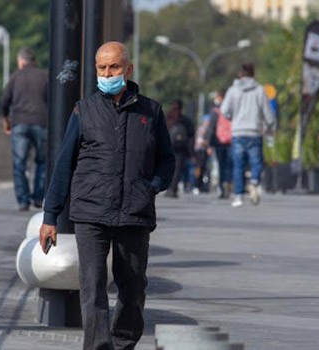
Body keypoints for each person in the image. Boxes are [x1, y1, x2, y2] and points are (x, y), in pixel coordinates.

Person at [39, 41, 175, 350]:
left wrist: (151, 186)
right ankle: (99, 347)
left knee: (134, 289)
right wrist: (50, 217)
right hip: (90, 212)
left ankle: (124, 342)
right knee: (92, 288)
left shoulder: (151, 111)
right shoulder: (83, 110)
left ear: (128, 69)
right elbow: (64, 164)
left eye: (113, 67)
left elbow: (167, 159)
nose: (107, 73)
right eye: (101, 68)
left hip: (134, 212)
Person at [0, 47, 48, 211]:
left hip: (19, 123)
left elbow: (4, 100)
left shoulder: (15, 77)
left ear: (21, 61)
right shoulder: (44, 76)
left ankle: (23, 201)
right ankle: (38, 198)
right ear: (34, 61)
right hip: (41, 123)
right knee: (42, 161)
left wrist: (5, 118)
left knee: (19, 163)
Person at [221, 63, 275, 207]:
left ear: (241, 74)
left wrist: (234, 118)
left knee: (238, 165)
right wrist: (270, 125)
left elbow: (224, 110)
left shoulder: (233, 90)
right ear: (253, 74)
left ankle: (238, 196)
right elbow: (267, 112)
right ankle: (255, 182)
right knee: (256, 162)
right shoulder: (259, 90)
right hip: (254, 132)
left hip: (238, 132)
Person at [165, 99, 195, 198]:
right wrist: (191, 152)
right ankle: (173, 188)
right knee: (177, 169)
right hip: (180, 149)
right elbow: (191, 137)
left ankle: (170, 188)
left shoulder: (167, 118)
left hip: (168, 147)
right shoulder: (186, 120)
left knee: (168, 168)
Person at [207, 90, 233, 199]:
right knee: (229, 165)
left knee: (221, 166)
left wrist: (209, 144)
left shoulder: (216, 111)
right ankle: (229, 184)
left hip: (218, 142)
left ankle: (222, 188)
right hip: (231, 141)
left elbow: (211, 128)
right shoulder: (232, 110)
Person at [192, 113, 212, 194]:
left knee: (203, 168)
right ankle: (196, 184)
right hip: (200, 150)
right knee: (199, 167)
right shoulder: (203, 129)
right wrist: (208, 145)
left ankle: (200, 185)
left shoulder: (205, 128)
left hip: (203, 151)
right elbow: (200, 142)